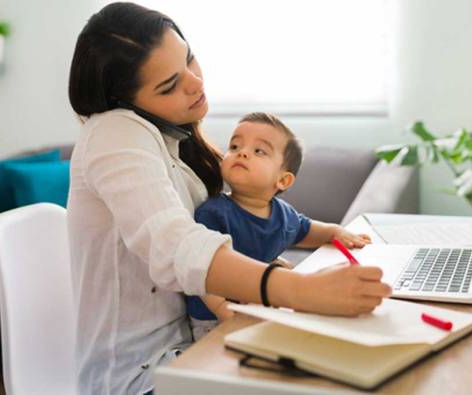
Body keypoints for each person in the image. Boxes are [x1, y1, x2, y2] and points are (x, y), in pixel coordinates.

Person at [67, 2, 392, 394]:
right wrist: (300, 290)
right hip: (140, 377)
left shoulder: (174, 140)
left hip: (201, 344)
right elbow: (175, 246)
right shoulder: (114, 133)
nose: (195, 83)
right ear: (126, 103)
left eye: (190, 59)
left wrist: (257, 271)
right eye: (170, 85)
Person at [186, 112, 373, 340]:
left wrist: (336, 232)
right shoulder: (213, 212)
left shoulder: (283, 214)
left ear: (283, 180)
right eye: (234, 146)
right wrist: (221, 308)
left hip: (262, 304)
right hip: (213, 317)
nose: (242, 152)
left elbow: (307, 230)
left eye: (259, 151)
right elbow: (203, 269)